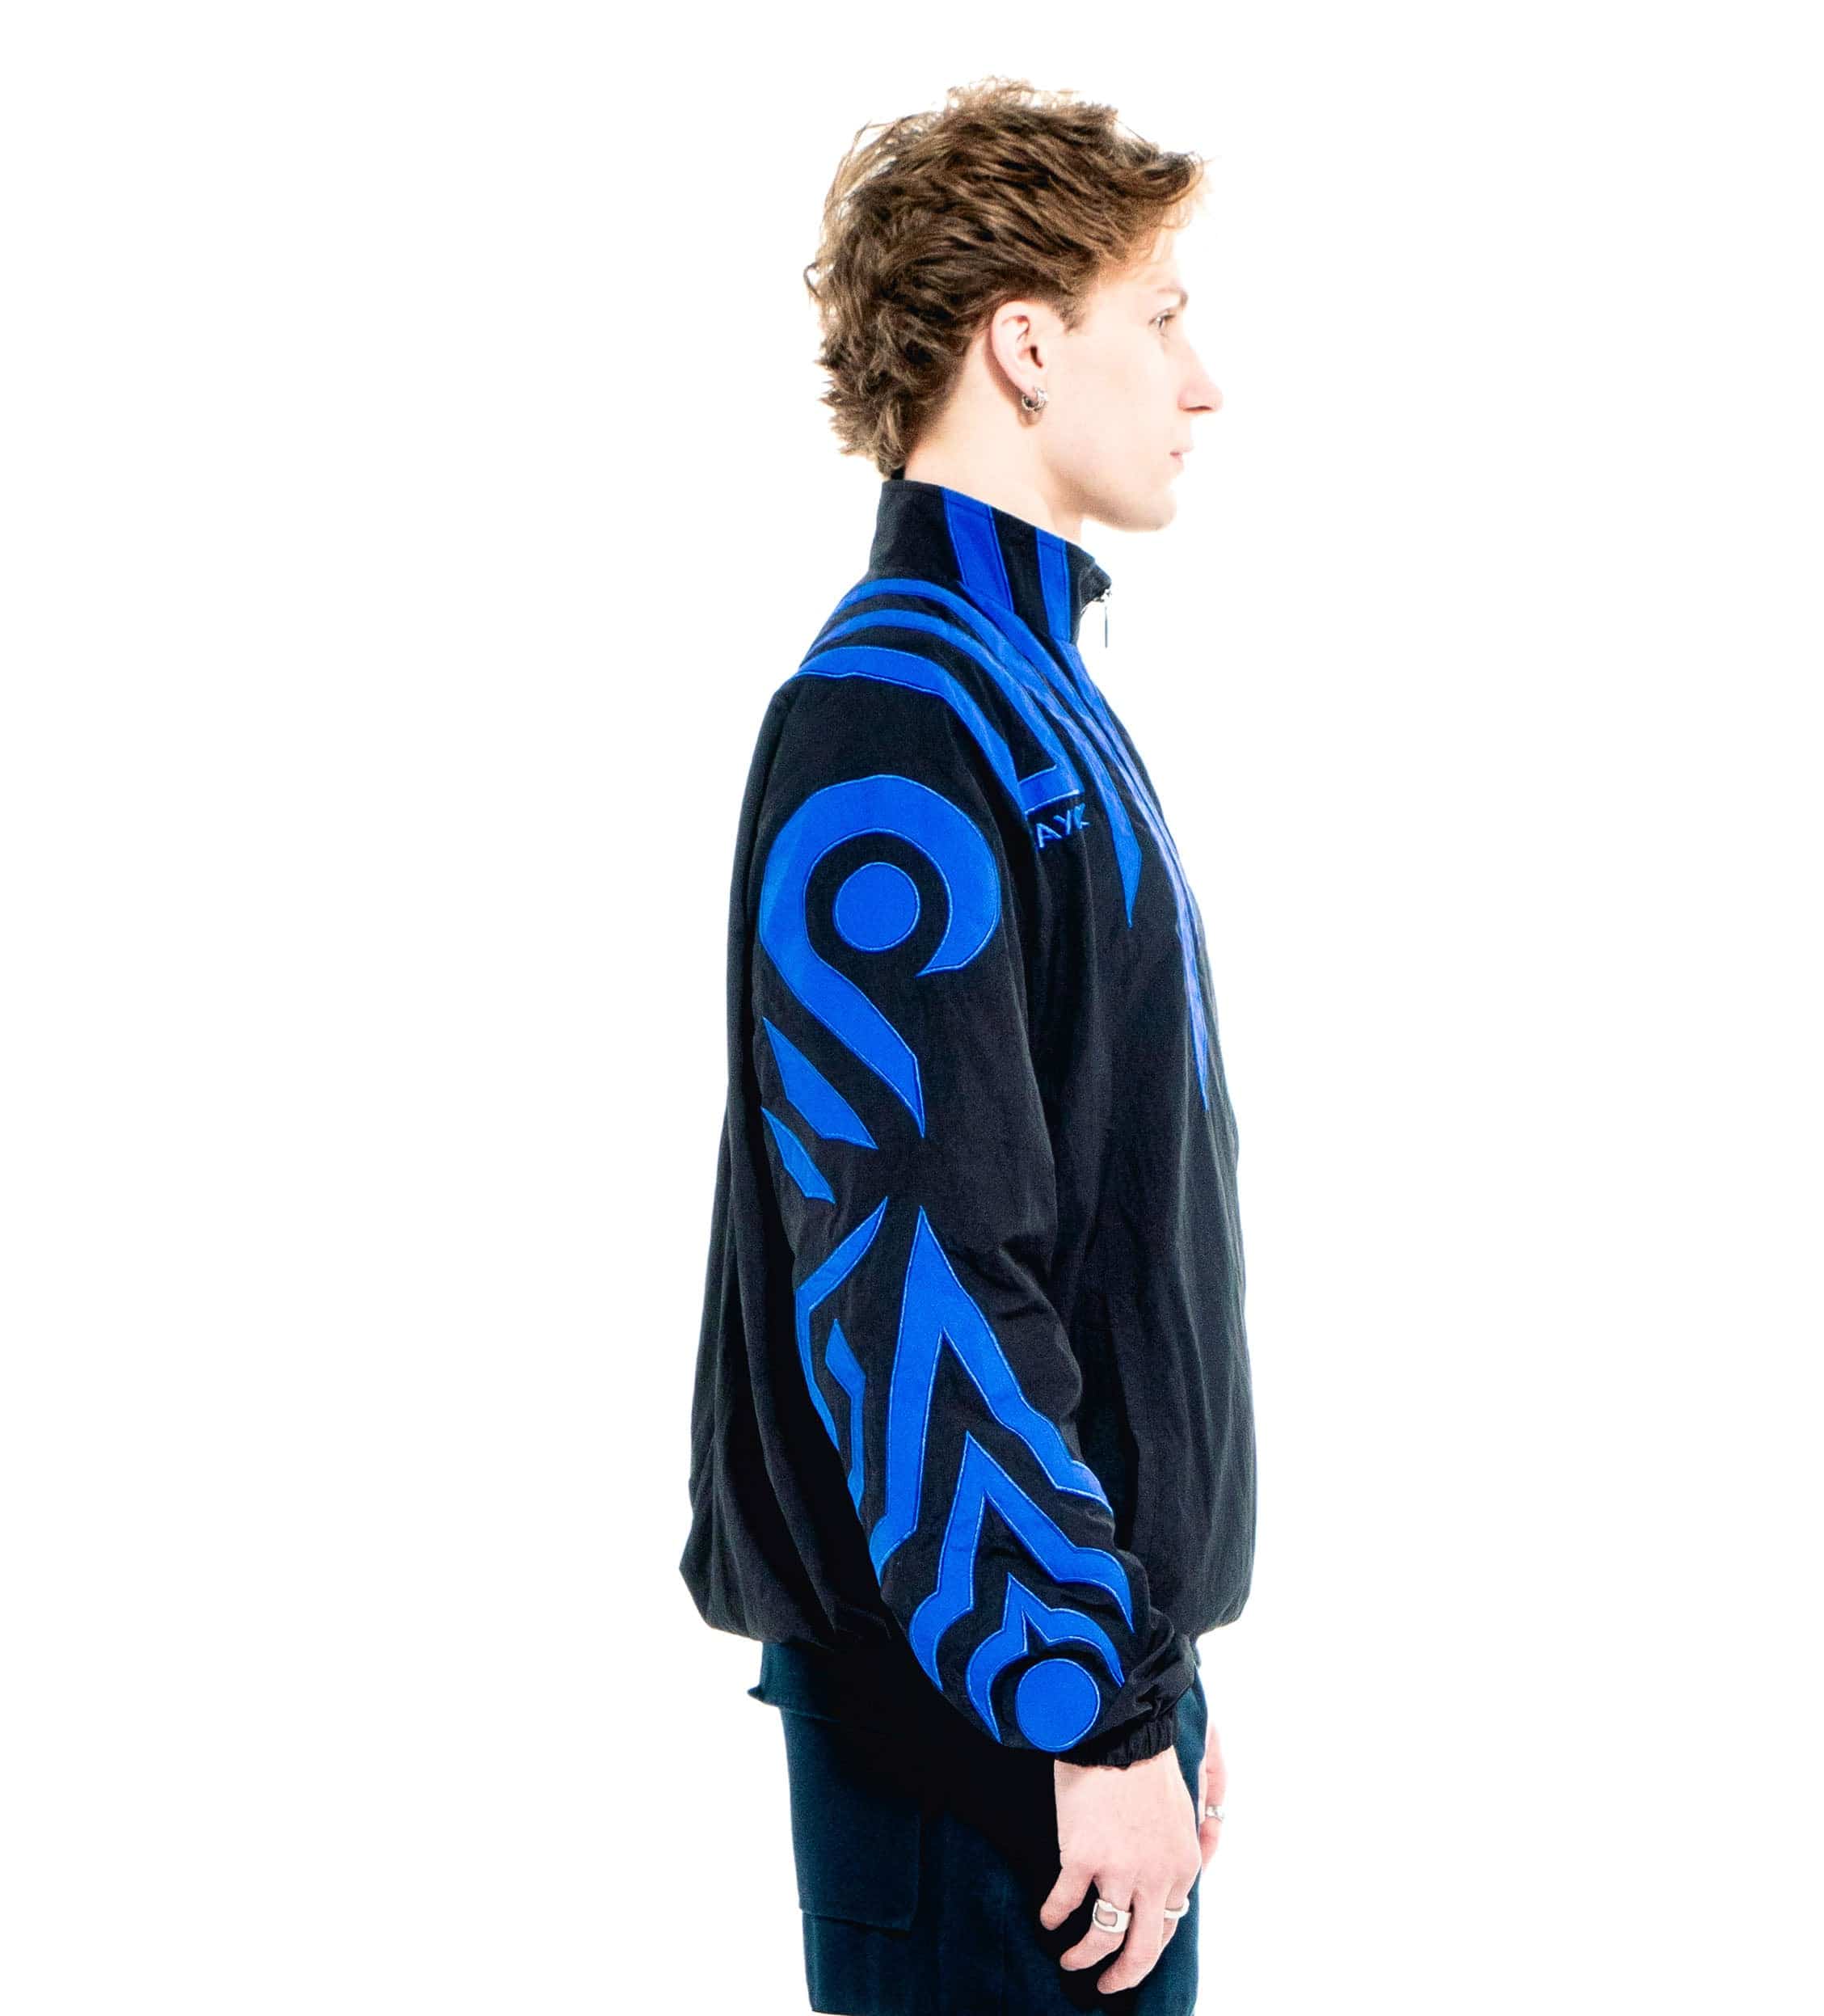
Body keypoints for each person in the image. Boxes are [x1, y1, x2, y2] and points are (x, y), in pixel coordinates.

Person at [680, 78, 1257, 2013]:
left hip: (1061, 1680)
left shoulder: (1017, 696)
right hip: (977, 1721)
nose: (1199, 383)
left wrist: (1149, 1669)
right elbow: (910, 1260)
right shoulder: (899, 723)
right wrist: (1086, 1700)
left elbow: (1090, 1241)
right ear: (1023, 342)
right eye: (1156, 316)